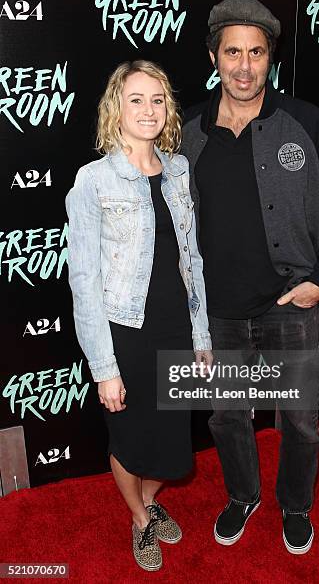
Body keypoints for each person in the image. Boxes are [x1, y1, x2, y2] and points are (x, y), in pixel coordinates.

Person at [181, 0, 319, 554]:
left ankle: (296, 505)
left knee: (301, 422)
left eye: (255, 52)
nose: (243, 66)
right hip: (221, 313)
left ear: (270, 59)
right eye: (232, 51)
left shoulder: (307, 123)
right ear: (213, 56)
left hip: (293, 305)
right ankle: (242, 496)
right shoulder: (186, 133)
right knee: (228, 417)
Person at [65, 60, 212, 572]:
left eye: (156, 99)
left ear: (166, 107)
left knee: (172, 444)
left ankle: (150, 499)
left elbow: (191, 260)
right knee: (130, 439)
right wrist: (103, 367)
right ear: (116, 108)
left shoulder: (179, 169)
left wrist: (202, 336)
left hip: (176, 326)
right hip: (125, 334)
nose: (148, 109)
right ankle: (138, 517)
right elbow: (83, 280)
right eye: (136, 99)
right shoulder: (92, 181)